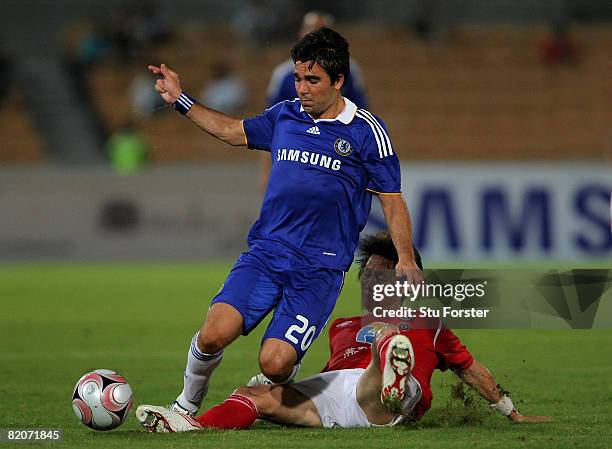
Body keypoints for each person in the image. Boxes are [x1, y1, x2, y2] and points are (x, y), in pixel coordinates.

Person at [147, 27, 422, 417]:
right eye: (297, 77)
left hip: (319, 268)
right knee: (213, 334)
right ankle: (186, 404)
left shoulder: (367, 133)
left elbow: (393, 202)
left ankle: (273, 387)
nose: (302, 88)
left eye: (313, 80)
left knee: (273, 362)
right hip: (267, 253)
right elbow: (231, 131)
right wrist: (180, 99)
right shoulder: (285, 115)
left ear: (339, 80)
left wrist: (406, 258)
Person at [136, 232, 550, 432]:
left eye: (384, 273)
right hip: (342, 397)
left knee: (388, 342)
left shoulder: (428, 323)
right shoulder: (342, 326)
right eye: (368, 273)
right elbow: (331, 375)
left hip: (389, 398)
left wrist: (511, 411)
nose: (373, 279)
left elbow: (470, 369)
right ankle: (194, 427)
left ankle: (392, 373)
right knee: (253, 395)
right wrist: (278, 383)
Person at [260, 11, 368, 190]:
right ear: (300, 33)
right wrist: (266, 171)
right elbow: (271, 124)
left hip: (336, 156)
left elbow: (362, 118)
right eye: (311, 31)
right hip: (295, 157)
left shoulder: (350, 71)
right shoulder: (283, 75)